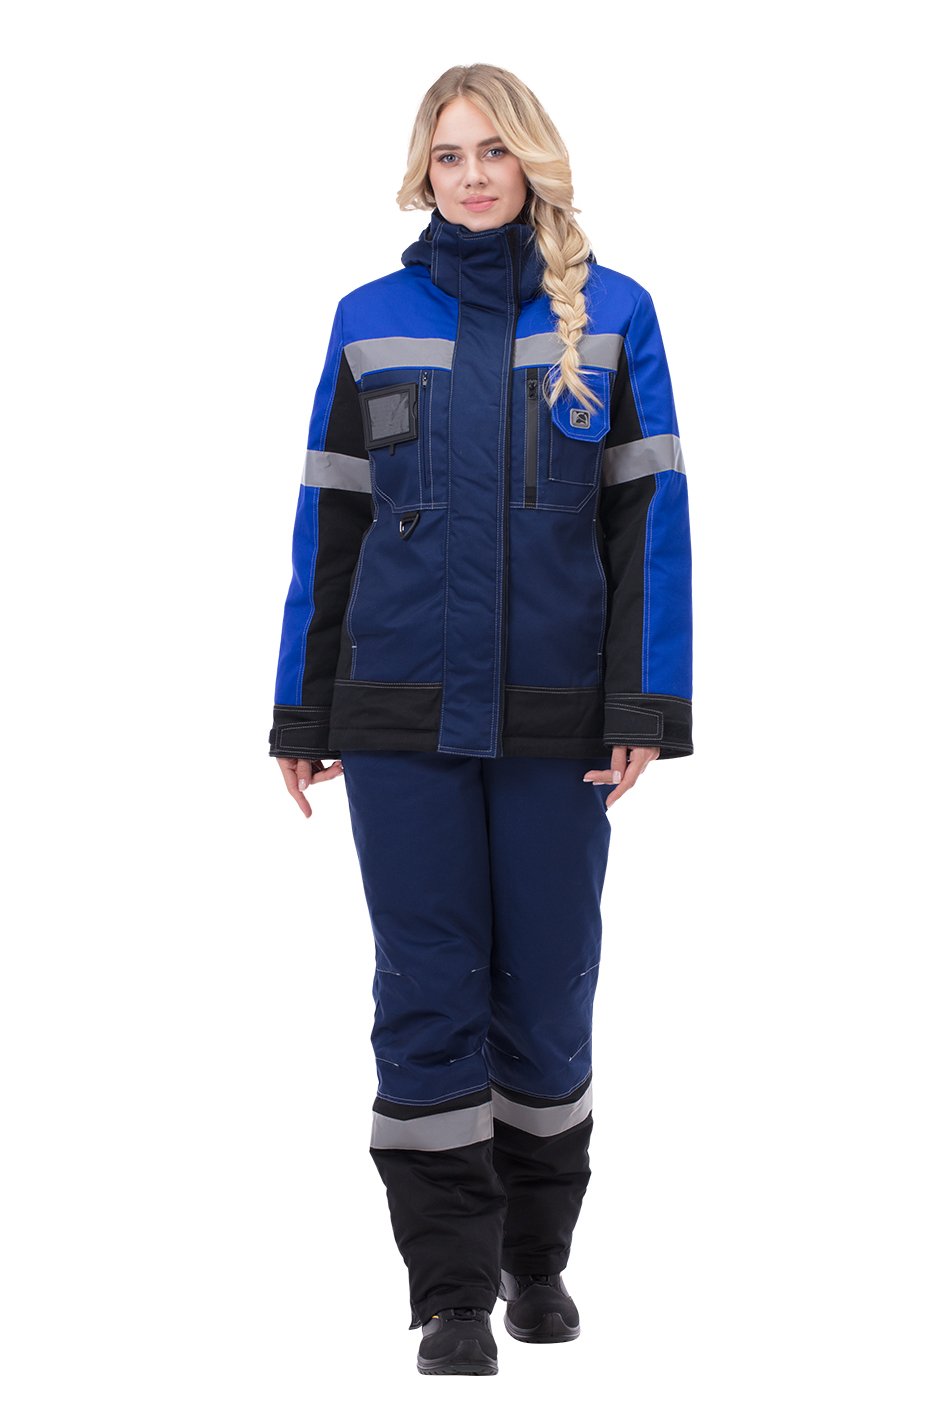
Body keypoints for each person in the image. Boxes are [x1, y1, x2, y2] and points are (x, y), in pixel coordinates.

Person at [269, 63, 693, 1376]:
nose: (471, 176)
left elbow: (648, 524)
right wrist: (301, 708)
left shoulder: (614, 314)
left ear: (530, 162)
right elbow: (330, 525)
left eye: (492, 152)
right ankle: (450, 1292)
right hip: (397, 714)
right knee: (426, 987)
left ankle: (536, 1259)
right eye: (448, 155)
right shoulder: (367, 318)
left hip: (559, 719)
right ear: (422, 170)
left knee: (548, 986)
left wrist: (643, 703)